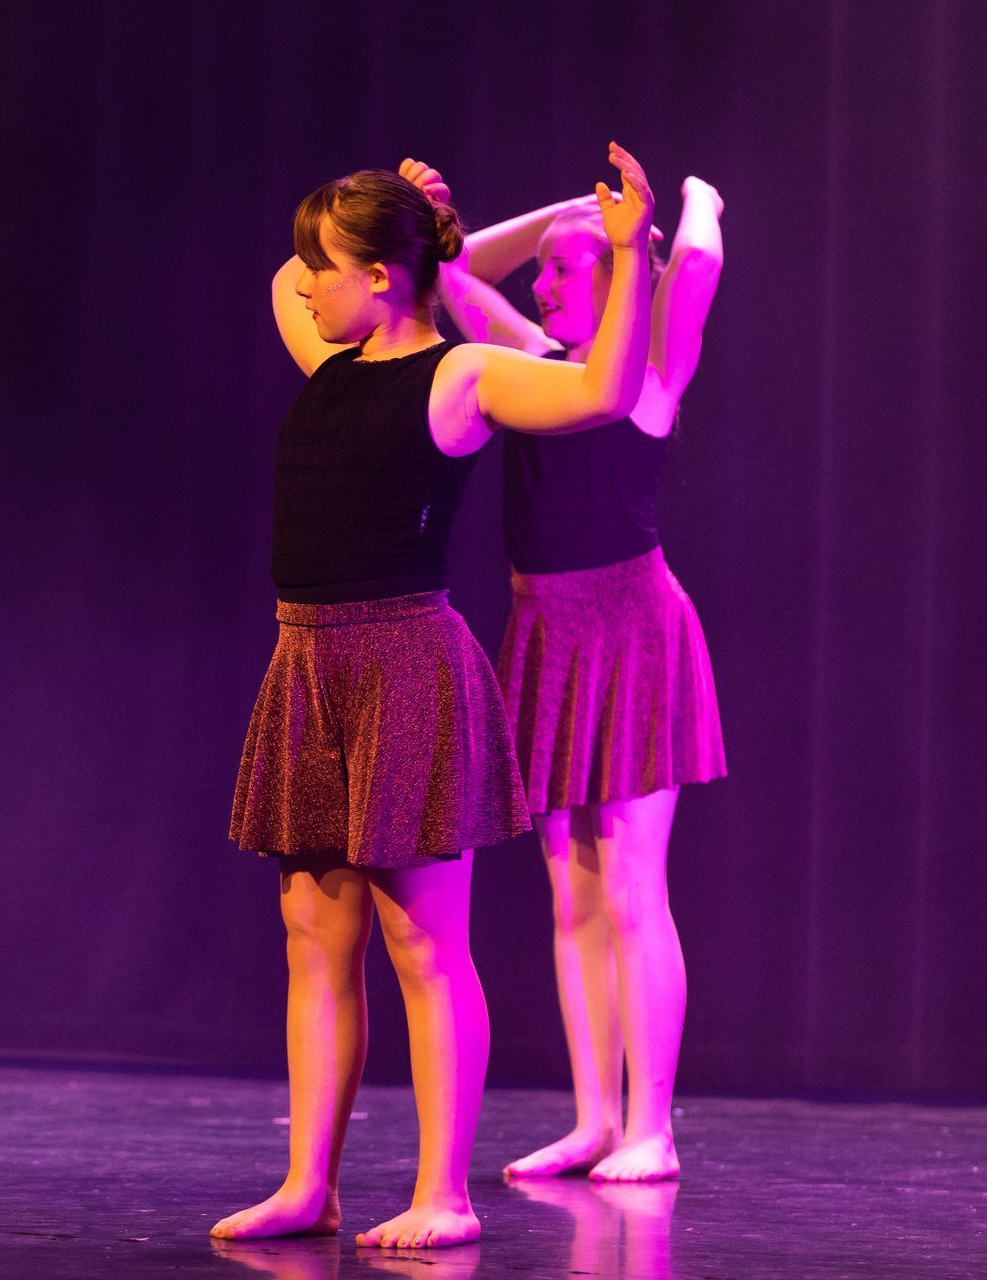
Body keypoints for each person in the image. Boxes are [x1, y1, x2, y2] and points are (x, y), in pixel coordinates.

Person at [213, 144, 658, 1249]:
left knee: (423, 944)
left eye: (331, 265)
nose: (307, 281)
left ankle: (442, 1194)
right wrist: (421, 219)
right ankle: (308, 1185)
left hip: (404, 663)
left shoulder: (461, 377)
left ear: (379, 278)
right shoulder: (327, 353)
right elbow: (289, 275)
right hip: (307, 658)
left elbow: (605, 390)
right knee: (313, 934)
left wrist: (619, 247)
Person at [435, 174, 727, 1182]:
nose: (545, 283)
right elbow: (454, 271)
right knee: (572, 898)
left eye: (566, 270)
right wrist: (559, 213)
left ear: (618, 279)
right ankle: (596, 1118)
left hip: (633, 630)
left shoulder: (648, 374)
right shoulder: (532, 365)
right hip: (547, 634)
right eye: (547, 270)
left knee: (635, 889)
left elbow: (699, 257)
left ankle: (653, 1126)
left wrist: (680, 206)